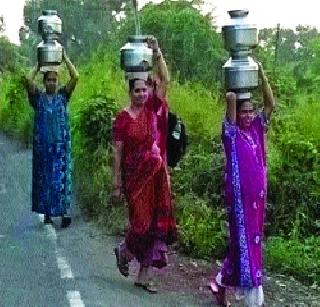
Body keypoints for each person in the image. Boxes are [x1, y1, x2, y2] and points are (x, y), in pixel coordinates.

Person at [112, 37, 176, 293]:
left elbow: (166, 81)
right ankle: (124, 251)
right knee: (140, 224)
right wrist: (115, 183)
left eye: (144, 90)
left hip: (156, 176)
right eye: (137, 90)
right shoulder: (123, 119)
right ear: (130, 92)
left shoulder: (152, 109)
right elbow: (116, 153)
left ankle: (144, 275)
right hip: (134, 179)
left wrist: (157, 52)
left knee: (156, 226)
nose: (142, 94)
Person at [209, 62, 274, 306]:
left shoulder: (257, 128)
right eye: (243, 112)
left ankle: (219, 283)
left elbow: (270, 105)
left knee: (246, 243)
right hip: (239, 199)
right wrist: (236, 84)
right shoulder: (231, 133)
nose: (247, 116)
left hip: (257, 199)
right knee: (245, 243)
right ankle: (252, 298)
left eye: (250, 112)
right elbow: (230, 100)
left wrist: (262, 76)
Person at [24, 50, 79, 227]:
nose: (52, 83)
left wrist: (64, 58)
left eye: (54, 80)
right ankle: (47, 213)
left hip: (61, 149)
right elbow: (28, 80)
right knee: (45, 180)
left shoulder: (63, 96)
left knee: (61, 181)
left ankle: (63, 213)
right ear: (44, 81)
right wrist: (40, 64)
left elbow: (75, 76)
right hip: (43, 148)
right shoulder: (37, 98)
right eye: (49, 80)